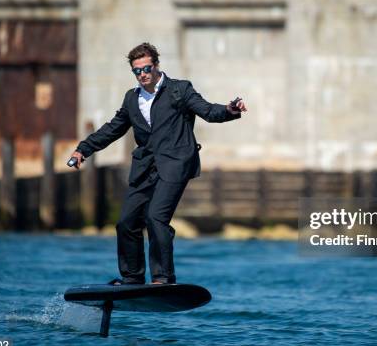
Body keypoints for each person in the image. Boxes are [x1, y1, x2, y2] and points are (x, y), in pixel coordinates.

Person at [70, 42, 247, 284]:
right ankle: (132, 277)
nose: (142, 74)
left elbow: (207, 110)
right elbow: (113, 129)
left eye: (146, 68)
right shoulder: (132, 99)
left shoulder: (179, 90)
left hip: (176, 164)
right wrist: (84, 149)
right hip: (145, 168)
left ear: (156, 66)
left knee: (156, 218)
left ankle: (163, 277)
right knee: (126, 223)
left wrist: (229, 109)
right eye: (137, 71)